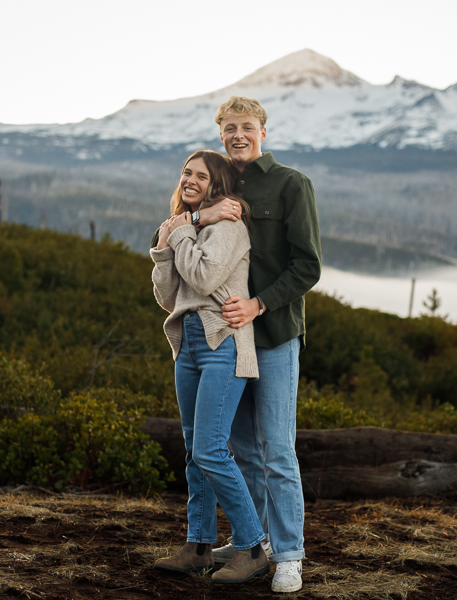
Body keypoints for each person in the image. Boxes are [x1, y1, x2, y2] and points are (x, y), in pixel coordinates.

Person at [193, 96, 322, 593]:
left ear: (263, 132)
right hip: (227, 341)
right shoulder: (217, 183)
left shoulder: (292, 184)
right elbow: (175, 227)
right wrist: (203, 217)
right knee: (241, 449)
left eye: (246, 127)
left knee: (277, 450)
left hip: (272, 335)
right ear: (221, 133)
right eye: (229, 128)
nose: (237, 135)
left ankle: (290, 555)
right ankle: (257, 542)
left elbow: (307, 266)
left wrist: (258, 304)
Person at [150, 149, 272, 584]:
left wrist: (181, 233)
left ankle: (252, 547)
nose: (190, 180)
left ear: (217, 185)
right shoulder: (190, 226)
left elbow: (201, 280)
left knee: (211, 449)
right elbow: (170, 297)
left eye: (201, 176)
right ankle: (199, 545)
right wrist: (167, 247)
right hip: (188, 344)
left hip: (223, 343)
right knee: (193, 451)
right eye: (186, 173)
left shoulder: (229, 226)